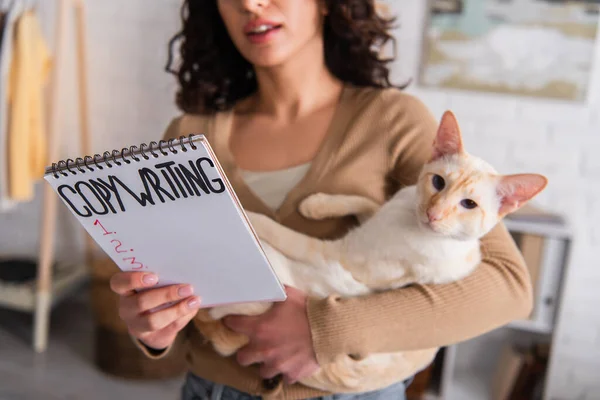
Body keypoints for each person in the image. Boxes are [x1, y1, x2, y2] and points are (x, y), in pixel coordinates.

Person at [108, 0, 533, 399]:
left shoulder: (394, 119)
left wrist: (326, 329)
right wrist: (150, 331)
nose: (251, 3)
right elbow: (175, 300)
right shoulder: (187, 135)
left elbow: (507, 286)